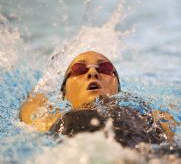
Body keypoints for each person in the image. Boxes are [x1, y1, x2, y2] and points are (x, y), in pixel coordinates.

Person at [19, 51, 177, 146]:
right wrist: (49, 75)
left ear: (117, 88)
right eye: (79, 69)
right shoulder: (53, 119)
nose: (93, 72)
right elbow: (32, 104)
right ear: (64, 93)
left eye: (105, 68)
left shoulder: (148, 115)